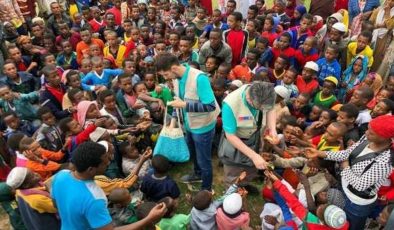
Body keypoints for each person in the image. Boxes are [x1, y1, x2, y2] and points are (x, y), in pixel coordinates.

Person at [51, 141, 167, 229]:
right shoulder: (95, 198)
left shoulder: (61, 175)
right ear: (91, 169)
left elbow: (55, 205)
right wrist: (149, 218)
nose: (109, 161)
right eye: (105, 160)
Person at [305, 115, 394, 229]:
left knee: (351, 225)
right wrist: (319, 153)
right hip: (344, 188)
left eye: (371, 133)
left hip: (357, 203)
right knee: (339, 221)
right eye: (368, 129)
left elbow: (360, 185)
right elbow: (346, 154)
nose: (366, 133)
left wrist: (345, 166)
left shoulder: (386, 160)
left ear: (384, 138)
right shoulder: (366, 139)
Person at [156, 53, 220, 191]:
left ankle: (206, 188)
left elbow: (210, 106)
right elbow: (177, 100)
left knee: (204, 160)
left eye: (165, 74)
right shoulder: (176, 77)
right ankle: (197, 174)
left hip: (203, 127)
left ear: (173, 68)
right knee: (194, 154)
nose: (165, 78)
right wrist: (173, 118)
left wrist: (185, 105)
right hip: (189, 124)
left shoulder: (199, 78)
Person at [219, 81, 277, 186]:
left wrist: (273, 129)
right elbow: (230, 135)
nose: (264, 110)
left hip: (255, 136)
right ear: (250, 100)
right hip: (237, 140)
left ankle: (245, 184)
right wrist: (254, 156)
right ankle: (232, 192)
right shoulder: (230, 105)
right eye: (261, 108)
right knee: (233, 171)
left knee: (251, 168)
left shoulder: (267, 92)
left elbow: (271, 109)